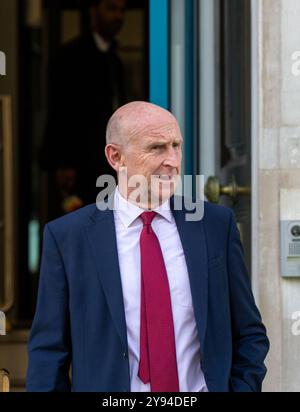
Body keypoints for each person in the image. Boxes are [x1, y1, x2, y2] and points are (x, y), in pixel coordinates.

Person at [27, 102, 269, 392]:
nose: (172, 160)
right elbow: (48, 353)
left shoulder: (216, 225)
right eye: (156, 148)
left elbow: (249, 332)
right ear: (116, 157)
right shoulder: (68, 237)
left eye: (176, 146)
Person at [40, 0, 127, 219]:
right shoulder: (70, 56)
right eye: (111, 8)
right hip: (77, 165)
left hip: (110, 164)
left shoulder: (116, 60)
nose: (117, 16)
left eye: (121, 10)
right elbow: (60, 112)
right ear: (94, 11)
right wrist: (63, 162)